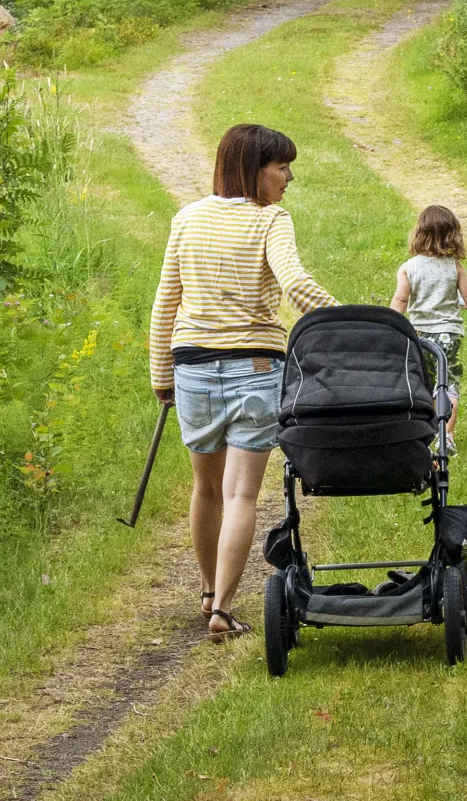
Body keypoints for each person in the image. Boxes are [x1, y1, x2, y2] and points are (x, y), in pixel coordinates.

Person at [148, 124, 340, 641]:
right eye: (282, 167)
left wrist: (161, 375)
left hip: (191, 369)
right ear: (254, 169)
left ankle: (208, 591)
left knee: (207, 489)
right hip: (254, 368)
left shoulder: (187, 219)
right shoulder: (270, 219)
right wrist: (351, 320)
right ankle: (223, 609)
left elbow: (166, 302)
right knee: (240, 495)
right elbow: (295, 283)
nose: (289, 178)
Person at [390, 205, 467, 451]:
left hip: (420, 336)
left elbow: (401, 299)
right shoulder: (455, 267)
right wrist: (458, 302)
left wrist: (391, 324)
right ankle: (446, 435)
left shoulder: (409, 268)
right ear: (453, 235)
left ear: (419, 233)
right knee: (448, 384)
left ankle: (424, 431)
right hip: (449, 336)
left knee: (423, 384)